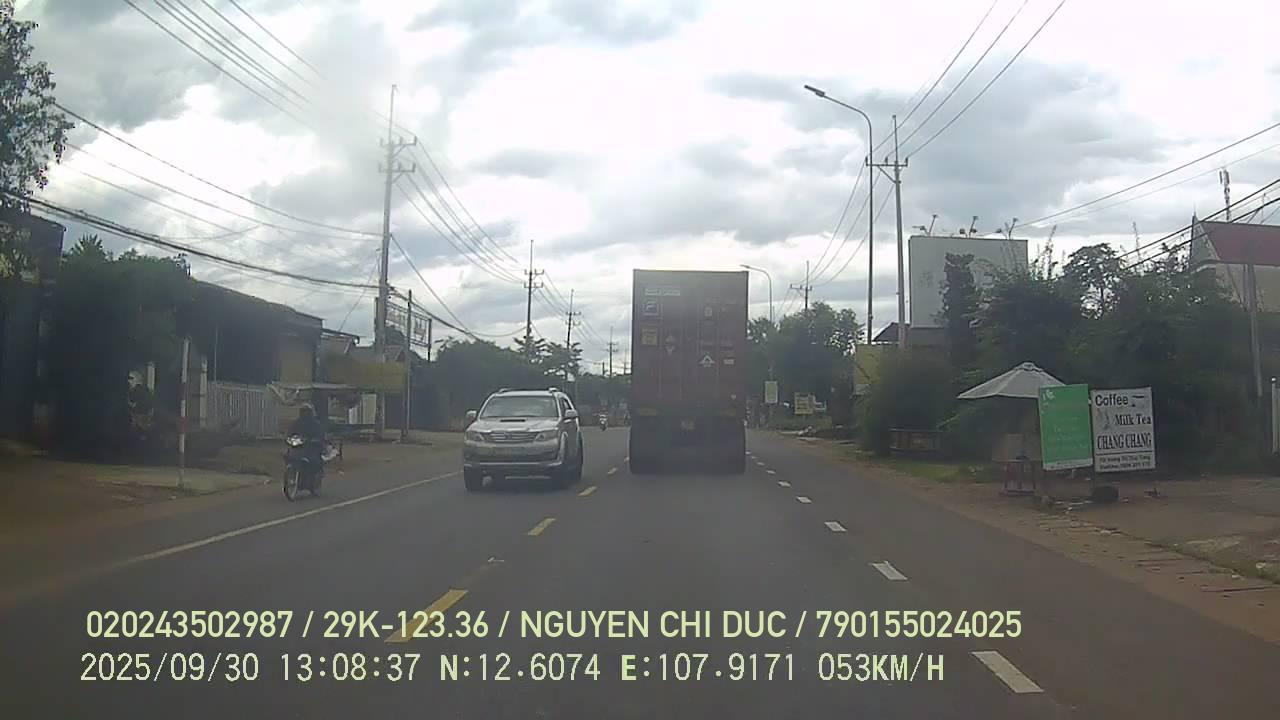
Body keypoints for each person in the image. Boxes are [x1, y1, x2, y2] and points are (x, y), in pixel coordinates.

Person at [287, 404, 326, 470]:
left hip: (311, 448)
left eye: (307, 412)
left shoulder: (315, 424)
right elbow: (290, 433)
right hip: (298, 447)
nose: (305, 414)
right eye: (304, 411)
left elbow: (320, 435)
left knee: (316, 462)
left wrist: (315, 440)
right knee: (289, 456)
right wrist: (289, 439)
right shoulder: (296, 423)